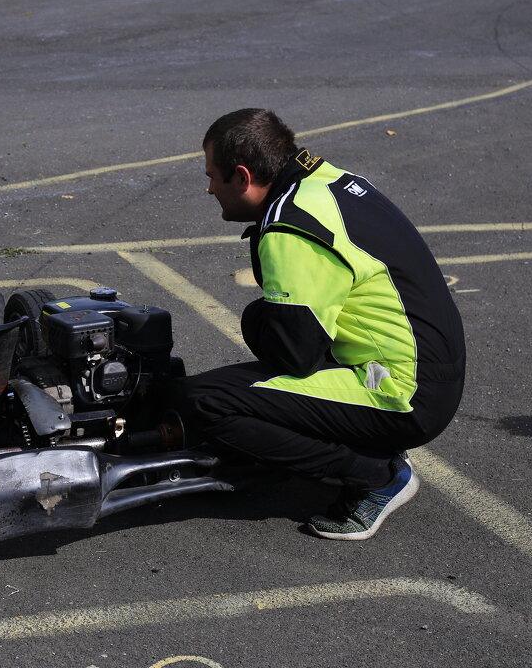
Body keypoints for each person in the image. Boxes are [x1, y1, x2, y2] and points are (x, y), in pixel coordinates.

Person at [179, 109, 465, 540]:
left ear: (242, 177)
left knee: (204, 400)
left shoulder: (289, 226)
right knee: (262, 351)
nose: (209, 188)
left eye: (214, 177)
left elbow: (295, 354)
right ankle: (363, 442)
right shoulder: (328, 179)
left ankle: (376, 477)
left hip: (404, 395)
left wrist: (257, 322)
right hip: (431, 370)